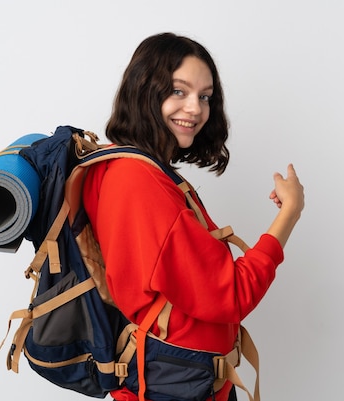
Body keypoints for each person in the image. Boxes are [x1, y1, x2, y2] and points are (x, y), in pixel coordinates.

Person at [82, 32, 305, 401]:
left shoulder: (122, 164)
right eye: (179, 92)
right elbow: (231, 293)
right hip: (174, 386)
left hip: (175, 378)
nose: (196, 109)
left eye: (205, 97)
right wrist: (290, 214)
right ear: (144, 91)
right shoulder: (141, 183)